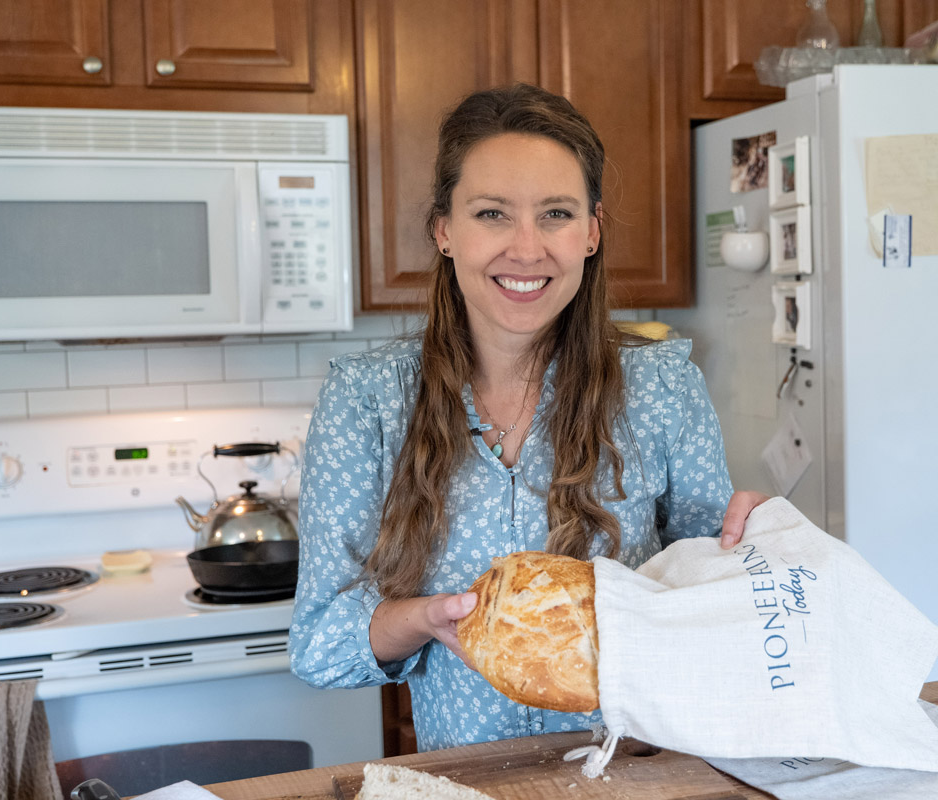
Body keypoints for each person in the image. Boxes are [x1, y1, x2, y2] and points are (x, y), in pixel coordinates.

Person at [288, 83, 769, 752]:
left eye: (555, 214)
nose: (525, 247)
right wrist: (423, 619)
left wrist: (749, 546)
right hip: (469, 786)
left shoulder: (661, 387)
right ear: (444, 230)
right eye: (491, 213)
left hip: (640, 776)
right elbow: (318, 645)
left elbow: (711, 599)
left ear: (591, 232)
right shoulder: (368, 403)